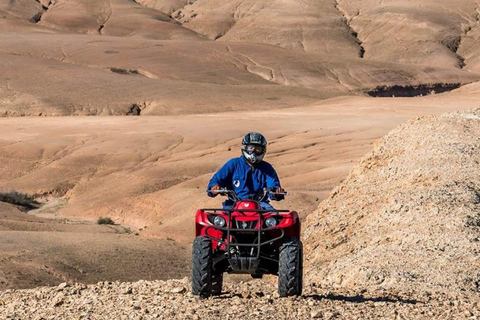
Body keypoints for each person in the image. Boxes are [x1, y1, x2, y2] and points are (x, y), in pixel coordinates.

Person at [207, 132, 285, 209]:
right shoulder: (233, 164)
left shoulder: (267, 168)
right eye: (251, 148)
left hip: (261, 205)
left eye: (258, 149)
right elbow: (216, 180)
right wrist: (215, 188)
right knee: (219, 220)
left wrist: (277, 193)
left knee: (277, 218)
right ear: (245, 148)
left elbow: (273, 187)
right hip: (234, 204)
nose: (254, 151)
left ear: (263, 150)